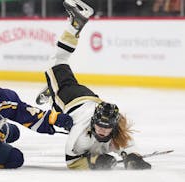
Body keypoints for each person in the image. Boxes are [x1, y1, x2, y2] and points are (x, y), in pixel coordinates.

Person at [36, 0, 151, 170]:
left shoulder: (116, 130)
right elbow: (72, 161)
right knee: (57, 60)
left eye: (107, 127)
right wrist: (95, 161)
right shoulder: (80, 135)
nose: (103, 131)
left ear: (114, 125)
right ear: (93, 121)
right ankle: (76, 24)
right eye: (100, 126)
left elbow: (129, 147)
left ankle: (51, 92)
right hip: (69, 98)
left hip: (89, 98)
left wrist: (134, 157)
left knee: (59, 69)